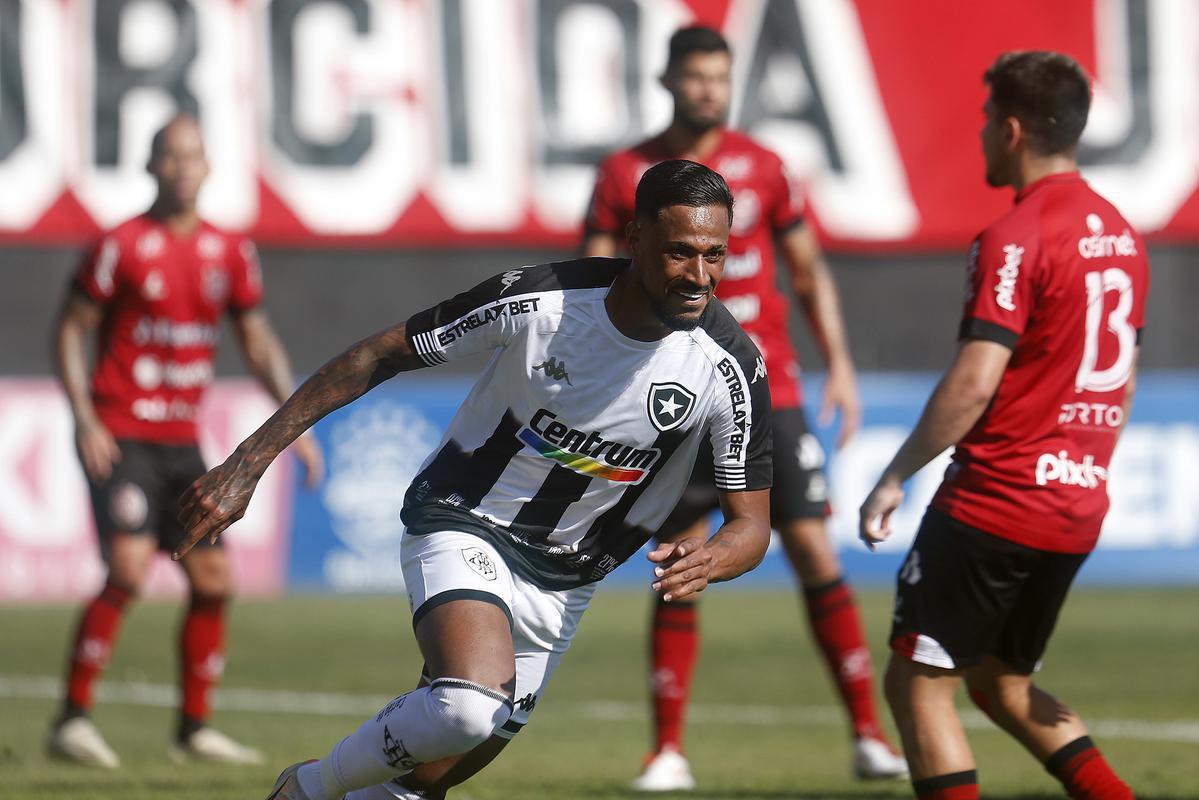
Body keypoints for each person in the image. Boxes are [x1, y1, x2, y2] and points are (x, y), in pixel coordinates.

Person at [175, 160, 774, 800]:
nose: (700, 277)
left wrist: (711, 559)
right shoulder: (541, 302)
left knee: (420, 783)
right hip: (465, 518)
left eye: (715, 256)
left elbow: (751, 524)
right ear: (633, 241)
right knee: (467, 705)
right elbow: (378, 355)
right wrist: (248, 463)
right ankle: (305, 790)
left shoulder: (729, 367)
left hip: (567, 578)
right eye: (679, 253)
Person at [582, 26, 905, 788]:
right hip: (674, 392)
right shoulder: (625, 172)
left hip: (771, 390)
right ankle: (666, 750)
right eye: (694, 76)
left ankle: (867, 735)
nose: (706, 90)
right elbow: (595, 274)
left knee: (813, 550)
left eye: (717, 78)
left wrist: (842, 364)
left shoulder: (766, 170)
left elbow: (805, 269)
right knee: (683, 551)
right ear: (667, 80)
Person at [859, 51, 1146, 800]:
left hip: (999, 499)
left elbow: (974, 381)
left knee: (918, 686)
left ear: (1011, 130)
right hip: (1076, 500)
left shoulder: (1015, 236)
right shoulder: (1121, 236)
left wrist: (895, 474)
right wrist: (1081, 461)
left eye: (987, 120)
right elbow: (1121, 377)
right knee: (1001, 683)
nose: (982, 133)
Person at [49, 114, 324, 768]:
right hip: (119, 434)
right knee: (128, 568)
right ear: (150, 167)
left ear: (207, 168)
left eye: (193, 156)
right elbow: (69, 329)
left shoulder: (229, 251)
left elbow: (256, 342)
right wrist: (85, 417)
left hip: (181, 442)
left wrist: (298, 421)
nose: (182, 168)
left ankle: (193, 729)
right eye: (170, 157)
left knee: (214, 577)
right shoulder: (121, 245)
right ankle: (72, 719)